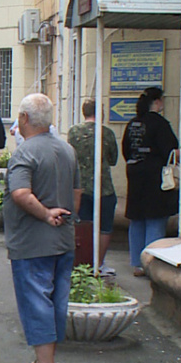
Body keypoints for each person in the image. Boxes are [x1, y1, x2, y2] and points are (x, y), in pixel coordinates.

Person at [2, 93, 81, 363]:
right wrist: (64, 218)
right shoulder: (66, 149)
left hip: (32, 243)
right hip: (63, 240)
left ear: (23, 119)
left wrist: (46, 214)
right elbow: (76, 194)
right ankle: (45, 361)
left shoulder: (25, 153)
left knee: (36, 302)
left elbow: (20, 193)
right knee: (56, 302)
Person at [122, 87, 179, 276]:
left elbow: (125, 151)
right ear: (156, 102)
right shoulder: (160, 124)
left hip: (135, 175)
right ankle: (150, 262)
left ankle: (136, 263)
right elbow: (170, 151)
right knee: (155, 219)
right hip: (155, 178)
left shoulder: (132, 123)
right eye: (162, 100)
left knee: (137, 219)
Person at [66, 99, 118, 274]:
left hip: (80, 188)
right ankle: (99, 264)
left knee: (82, 226)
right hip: (104, 188)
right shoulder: (107, 134)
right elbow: (113, 159)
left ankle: (82, 264)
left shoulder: (73, 132)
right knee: (104, 227)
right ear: (100, 112)